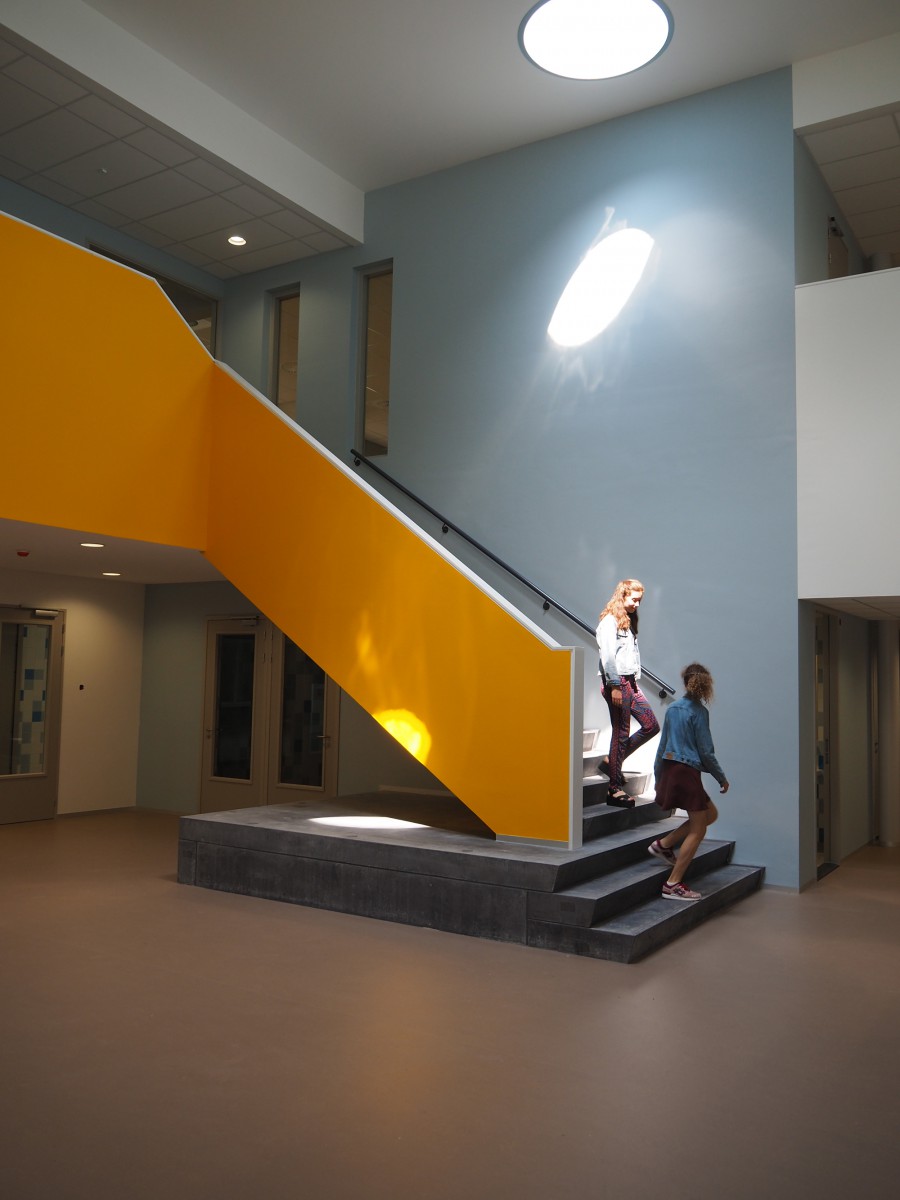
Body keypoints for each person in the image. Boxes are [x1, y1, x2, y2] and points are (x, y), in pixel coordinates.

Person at [648, 662, 730, 901]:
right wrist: (721, 777)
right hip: (687, 772)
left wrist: (658, 776)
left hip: (671, 769)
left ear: (685, 682)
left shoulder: (673, 708)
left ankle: (664, 845)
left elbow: (662, 746)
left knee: (710, 814)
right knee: (699, 829)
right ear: (706, 685)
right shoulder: (699, 712)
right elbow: (706, 752)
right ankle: (672, 884)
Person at [596, 578, 660, 808]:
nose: (637, 604)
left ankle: (611, 762)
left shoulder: (627, 621)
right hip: (617, 683)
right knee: (621, 733)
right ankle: (613, 790)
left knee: (651, 726)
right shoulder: (609, 622)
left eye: (639, 600)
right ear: (622, 596)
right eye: (634, 599)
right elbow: (607, 656)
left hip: (630, 682)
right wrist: (614, 685)